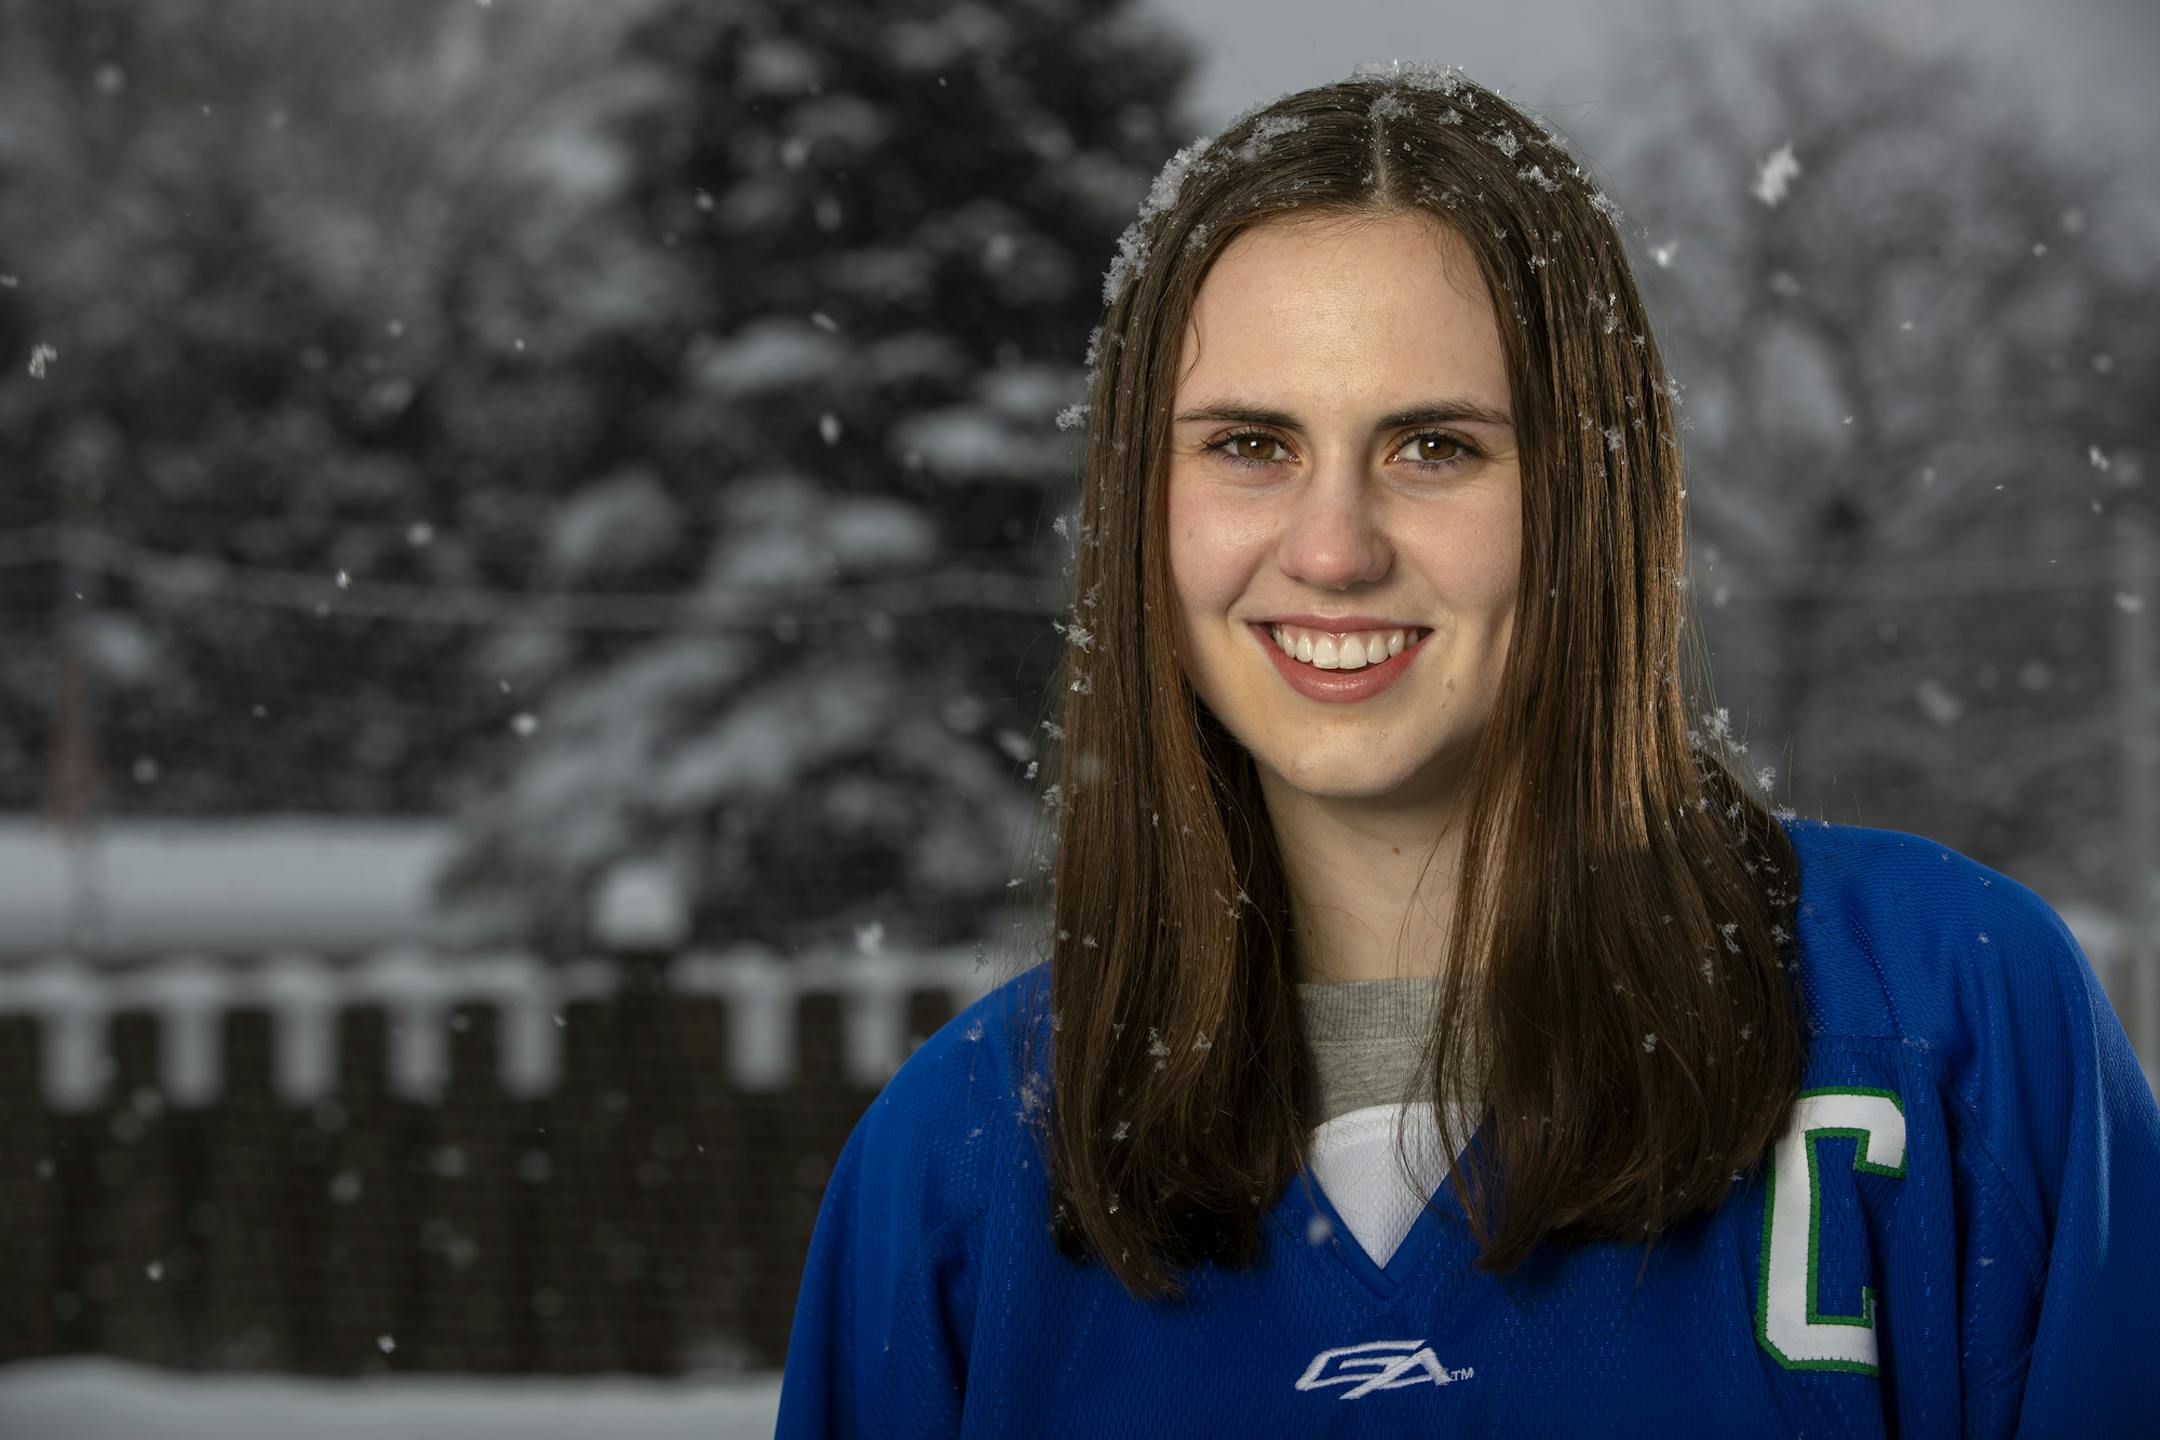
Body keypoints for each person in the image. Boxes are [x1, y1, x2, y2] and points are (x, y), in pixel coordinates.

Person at [774, 64, 2160, 1436]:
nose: (1333, 549)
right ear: (1142, 501)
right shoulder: (957, 1163)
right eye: (1250, 444)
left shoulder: (1944, 1021)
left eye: (1433, 446)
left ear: (1590, 496)